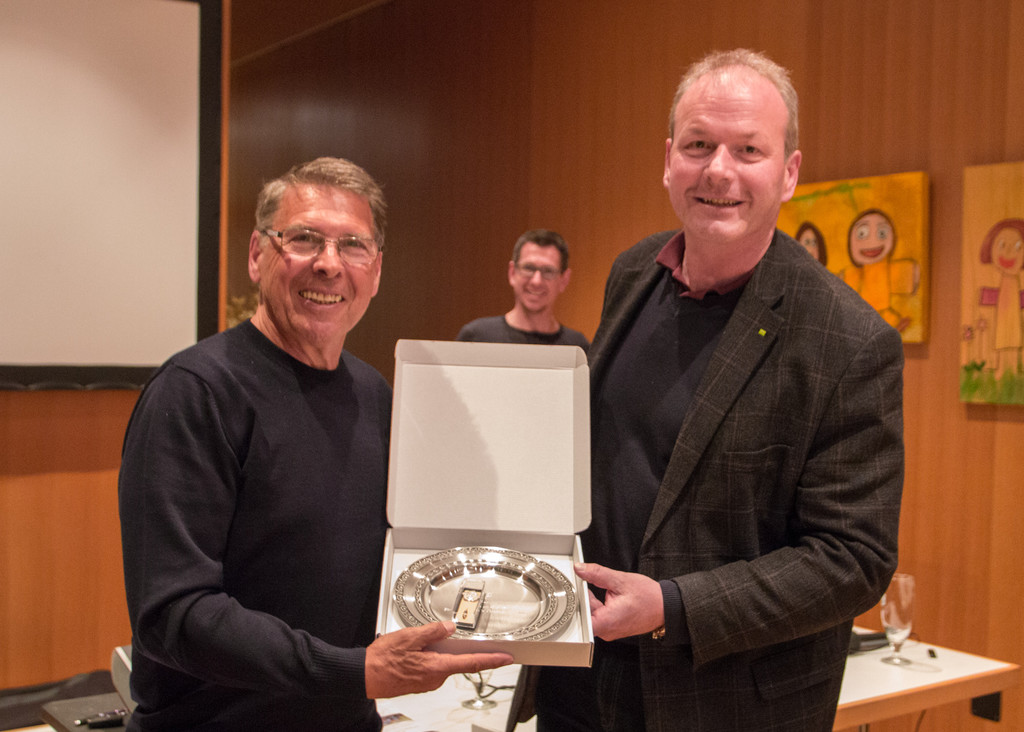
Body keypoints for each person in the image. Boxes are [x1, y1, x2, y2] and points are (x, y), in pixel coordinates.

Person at [534, 49, 905, 731]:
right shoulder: (632, 273)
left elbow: (854, 559)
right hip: (579, 683)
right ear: (668, 158)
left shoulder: (850, 341)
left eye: (749, 149)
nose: (718, 170)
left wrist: (674, 608)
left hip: (723, 703)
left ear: (789, 172)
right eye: (699, 145)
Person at [118, 157, 512, 731]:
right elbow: (172, 613)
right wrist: (350, 671)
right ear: (257, 255)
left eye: (353, 246)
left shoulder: (373, 394)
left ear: (376, 271)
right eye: (303, 239)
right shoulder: (195, 393)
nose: (329, 264)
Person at [456, 228, 590, 351]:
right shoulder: (477, 338)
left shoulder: (577, 348)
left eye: (548, 271)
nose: (536, 281)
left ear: (564, 280)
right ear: (512, 273)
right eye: (529, 268)